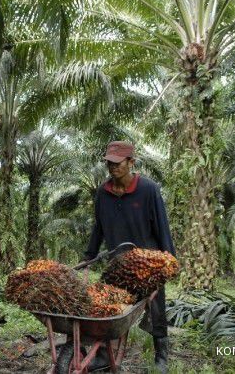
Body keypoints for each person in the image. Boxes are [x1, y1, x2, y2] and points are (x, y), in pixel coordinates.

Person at [82, 140, 175, 373]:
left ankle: (161, 357)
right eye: (109, 163)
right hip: (118, 265)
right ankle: (103, 355)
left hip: (148, 265)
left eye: (117, 163)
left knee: (156, 309)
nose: (112, 168)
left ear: (131, 162)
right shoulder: (103, 194)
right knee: (108, 309)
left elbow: (162, 226)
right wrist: (89, 255)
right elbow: (99, 227)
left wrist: (170, 259)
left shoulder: (148, 189)